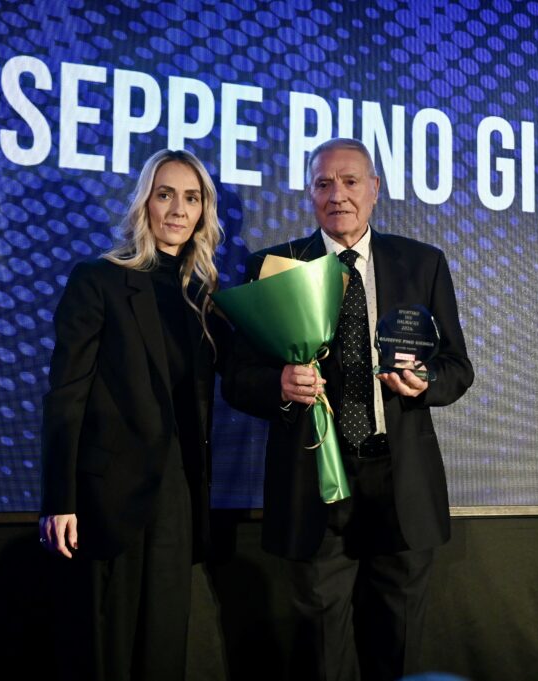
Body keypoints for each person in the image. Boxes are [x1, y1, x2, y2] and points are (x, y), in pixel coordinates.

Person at [223, 138, 474, 681]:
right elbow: (238, 381)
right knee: (321, 652)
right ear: (309, 194)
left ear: (375, 189)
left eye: (350, 181)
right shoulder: (275, 266)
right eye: (323, 184)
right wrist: (279, 384)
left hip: (401, 483)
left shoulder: (423, 263)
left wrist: (425, 381)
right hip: (313, 484)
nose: (337, 195)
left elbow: (458, 368)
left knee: (398, 647)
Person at [38, 148, 227, 681]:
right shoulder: (97, 279)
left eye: (191, 198)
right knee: (107, 656)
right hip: (107, 500)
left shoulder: (205, 297)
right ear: (145, 202)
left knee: (163, 652)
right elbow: (66, 395)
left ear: (203, 211)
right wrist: (60, 499)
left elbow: (238, 380)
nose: (178, 209)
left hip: (178, 498)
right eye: (165, 194)